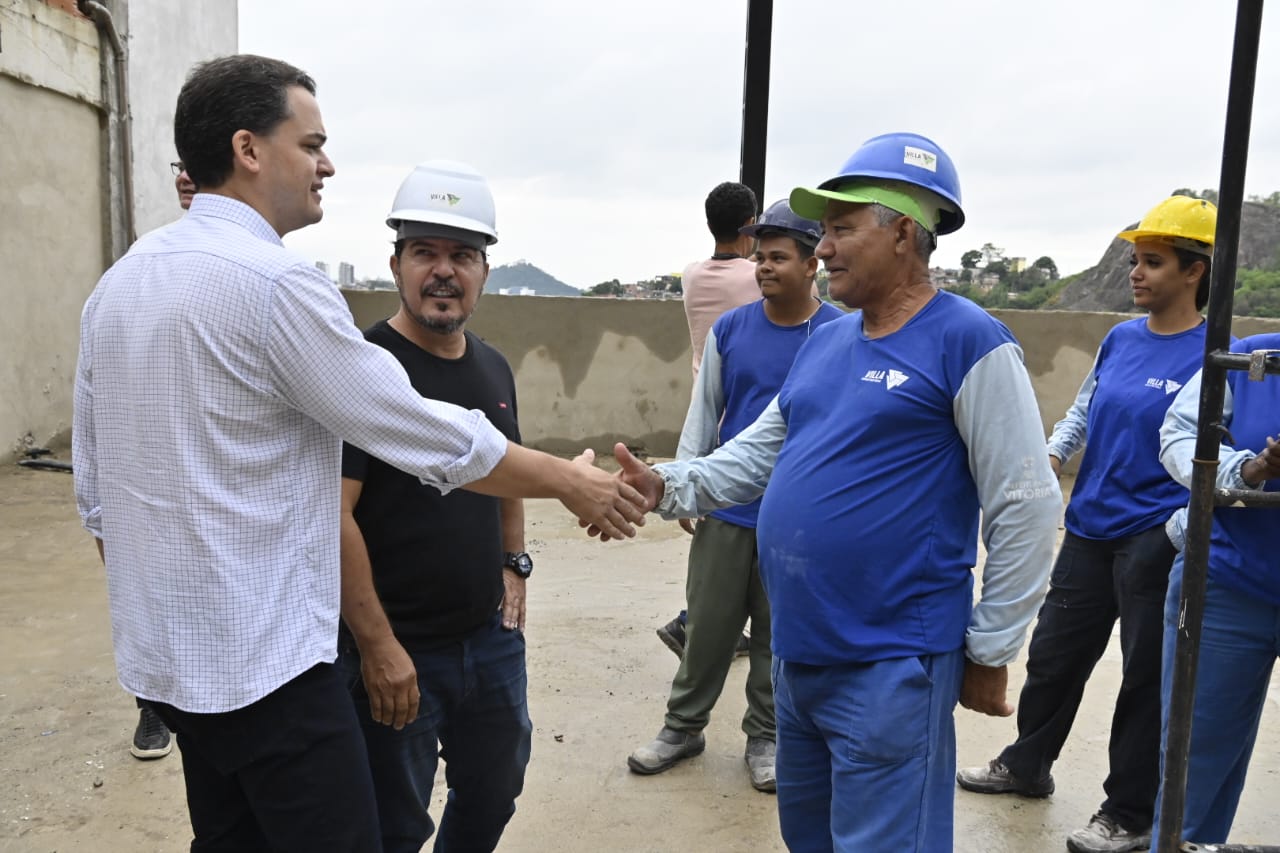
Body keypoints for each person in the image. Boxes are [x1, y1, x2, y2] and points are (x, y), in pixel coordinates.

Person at [72, 54, 643, 852]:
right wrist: (568, 480)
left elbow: (95, 492)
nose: (326, 164)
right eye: (311, 144)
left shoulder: (121, 283)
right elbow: (419, 428)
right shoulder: (274, 286)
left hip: (175, 670)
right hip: (270, 672)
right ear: (248, 149)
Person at [596, 132, 1061, 851]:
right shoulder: (828, 341)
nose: (824, 251)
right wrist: (667, 485)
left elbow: (1026, 504)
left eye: (842, 230)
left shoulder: (970, 341)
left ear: (904, 231)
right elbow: (757, 455)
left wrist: (991, 646)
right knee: (808, 835)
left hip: (892, 663)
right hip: (800, 655)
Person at [955, 195, 1217, 853]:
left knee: (1144, 679)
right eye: (1134, 260)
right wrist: (1044, 458)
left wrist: (1176, 530)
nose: (1136, 272)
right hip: (1090, 526)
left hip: (1155, 537)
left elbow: (1215, 453)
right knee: (1053, 656)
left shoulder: (1215, 354)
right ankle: (1026, 764)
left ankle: (1128, 813)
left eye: (1152, 262)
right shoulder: (1122, 339)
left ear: (1194, 271)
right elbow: (1082, 413)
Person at [335, 160, 533, 853]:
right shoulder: (362, 369)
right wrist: (377, 646)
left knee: (495, 788)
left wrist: (515, 562)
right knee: (395, 823)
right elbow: (334, 517)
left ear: (484, 271)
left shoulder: (493, 366)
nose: (443, 271)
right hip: (399, 647)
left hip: (488, 638)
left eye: (462, 255)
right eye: (425, 252)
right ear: (395, 264)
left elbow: (506, 470)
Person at [628, 200, 843, 792]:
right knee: (709, 627)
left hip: (798, 514)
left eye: (778, 257)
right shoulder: (733, 329)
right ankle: (682, 726)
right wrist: (686, 487)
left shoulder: (838, 334)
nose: (764, 267)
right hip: (728, 506)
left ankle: (766, 737)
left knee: (778, 634)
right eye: (760, 256)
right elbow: (706, 412)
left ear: (811, 265)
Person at [1153, 334, 1280, 844]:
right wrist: (1250, 470)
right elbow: (1180, 436)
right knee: (1194, 759)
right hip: (1228, 583)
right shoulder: (1252, 358)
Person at [657, 181, 760, 659]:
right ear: (751, 226)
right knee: (738, 539)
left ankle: (699, 622)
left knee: (719, 534)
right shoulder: (757, 276)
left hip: (707, 408)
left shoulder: (693, 275)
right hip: (745, 409)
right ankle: (693, 622)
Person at [126, 159, 202, 762]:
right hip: (156, 457)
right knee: (155, 579)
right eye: (178, 163)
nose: (183, 176)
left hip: (211, 461)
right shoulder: (145, 261)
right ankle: (153, 705)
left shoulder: (255, 266)